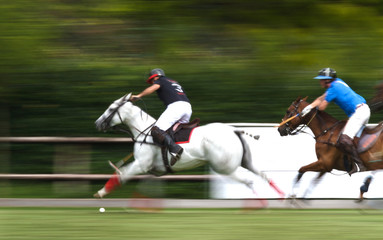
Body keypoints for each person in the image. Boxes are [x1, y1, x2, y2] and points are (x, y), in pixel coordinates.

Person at [301, 68, 370, 174]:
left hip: (359, 113)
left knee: (345, 138)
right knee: (352, 138)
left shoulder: (334, 89)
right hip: (362, 110)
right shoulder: (338, 82)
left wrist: (311, 110)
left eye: (321, 79)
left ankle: (359, 164)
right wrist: (309, 106)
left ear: (327, 80)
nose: (320, 81)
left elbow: (321, 107)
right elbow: (321, 98)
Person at [131, 68, 192, 163]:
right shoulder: (173, 81)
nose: (152, 82)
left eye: (152, 80)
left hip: (176, 106)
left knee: (156, 130)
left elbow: (153, 88)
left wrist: (139, 96)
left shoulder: (160, 80)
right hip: (187, 107)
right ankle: (173, 153)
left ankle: (175, 150)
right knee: (172, 131)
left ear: (155, 77)